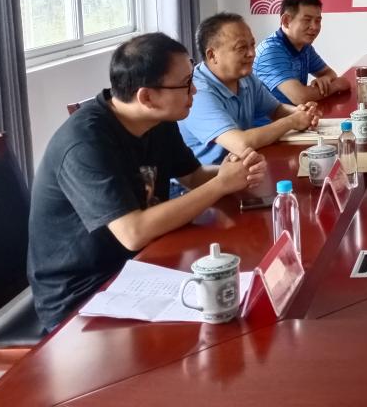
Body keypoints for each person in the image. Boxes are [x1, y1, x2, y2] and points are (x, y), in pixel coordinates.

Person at [28, 33, 268, 332]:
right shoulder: (84, 143)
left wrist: (235, 173)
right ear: (146, 97)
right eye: (185, 84)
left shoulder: (158, 121)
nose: (194, 90)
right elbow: (133, 232)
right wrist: (220, 184)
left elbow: (193, 176)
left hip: (144, 265)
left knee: (239, 299)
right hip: (85, 292)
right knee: (220, 328)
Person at [179, 12, 321, 165]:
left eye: (252, 45)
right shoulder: (197, 92)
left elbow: (276, 109)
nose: (252, 53)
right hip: (210, 176)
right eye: (241, 48)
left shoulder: (245, 77)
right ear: (212, 55)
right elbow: (241, 144)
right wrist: (292, 121)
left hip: (243, 167)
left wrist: (301, 112)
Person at [253, 0, 351, 105]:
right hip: (273, 116)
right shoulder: (271, 52)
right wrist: (336, 85)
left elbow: (329, 73)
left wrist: (325, 79)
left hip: (295, 113)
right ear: (286, 21)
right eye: (307, 20)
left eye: (318, 21)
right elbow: (300, 97)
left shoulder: (305, 46)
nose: (314, 27)